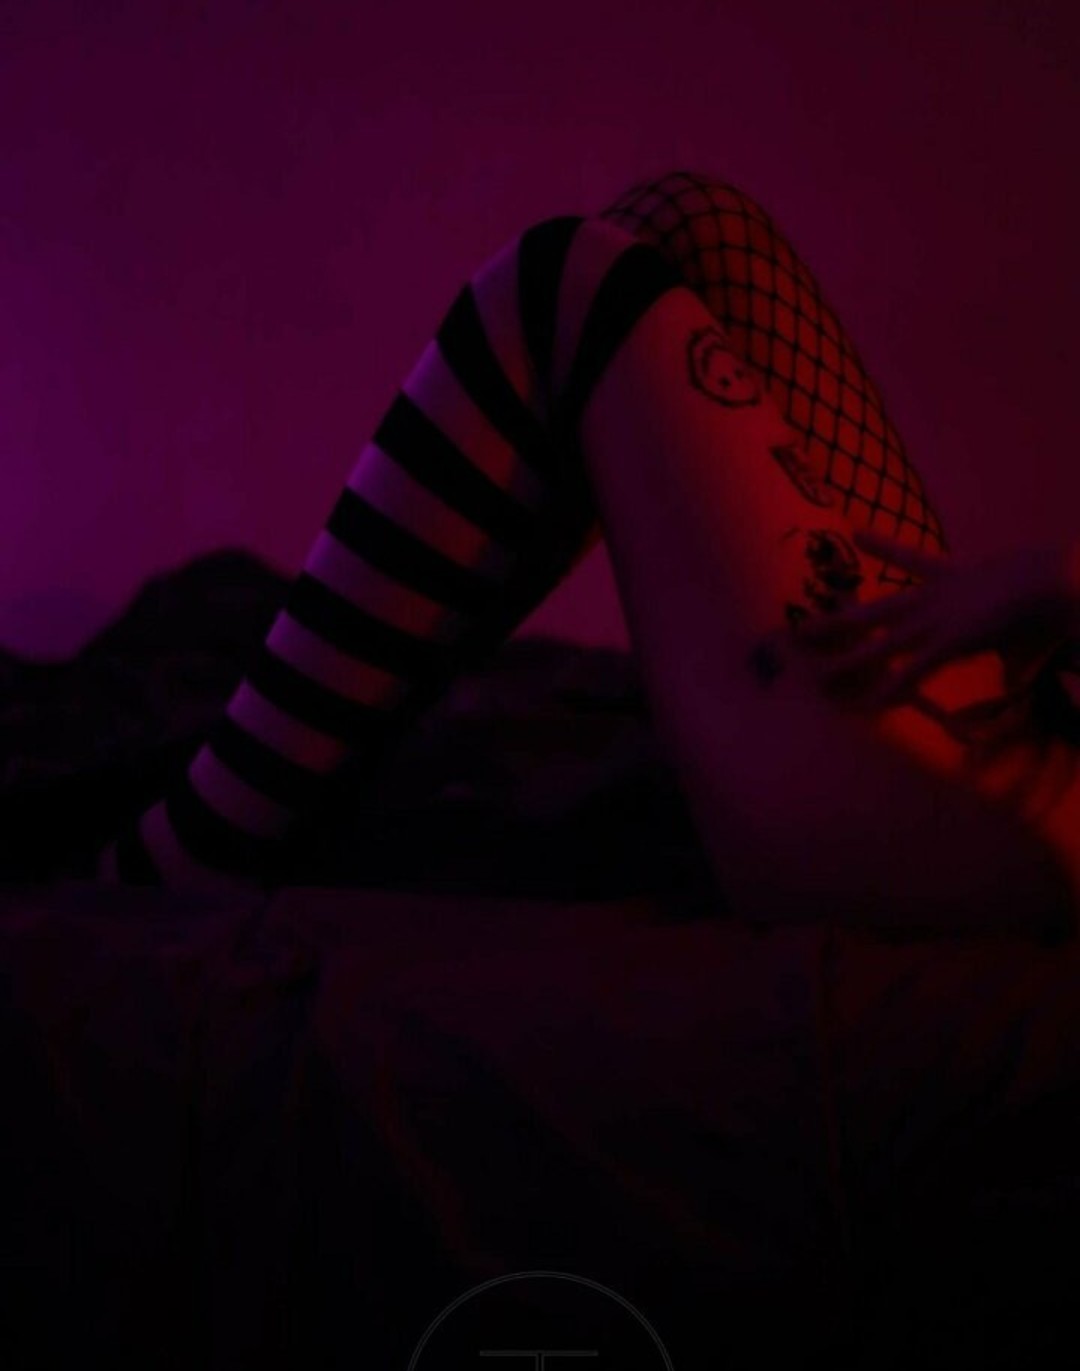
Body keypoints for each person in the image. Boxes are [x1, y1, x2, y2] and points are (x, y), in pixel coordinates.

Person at [98, 170, 1080, 941]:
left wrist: (1054, 581)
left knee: (565, 287)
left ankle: (201, 844)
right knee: (695, 224)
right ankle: (299, 783)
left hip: (1001, 821)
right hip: (1036, 725)